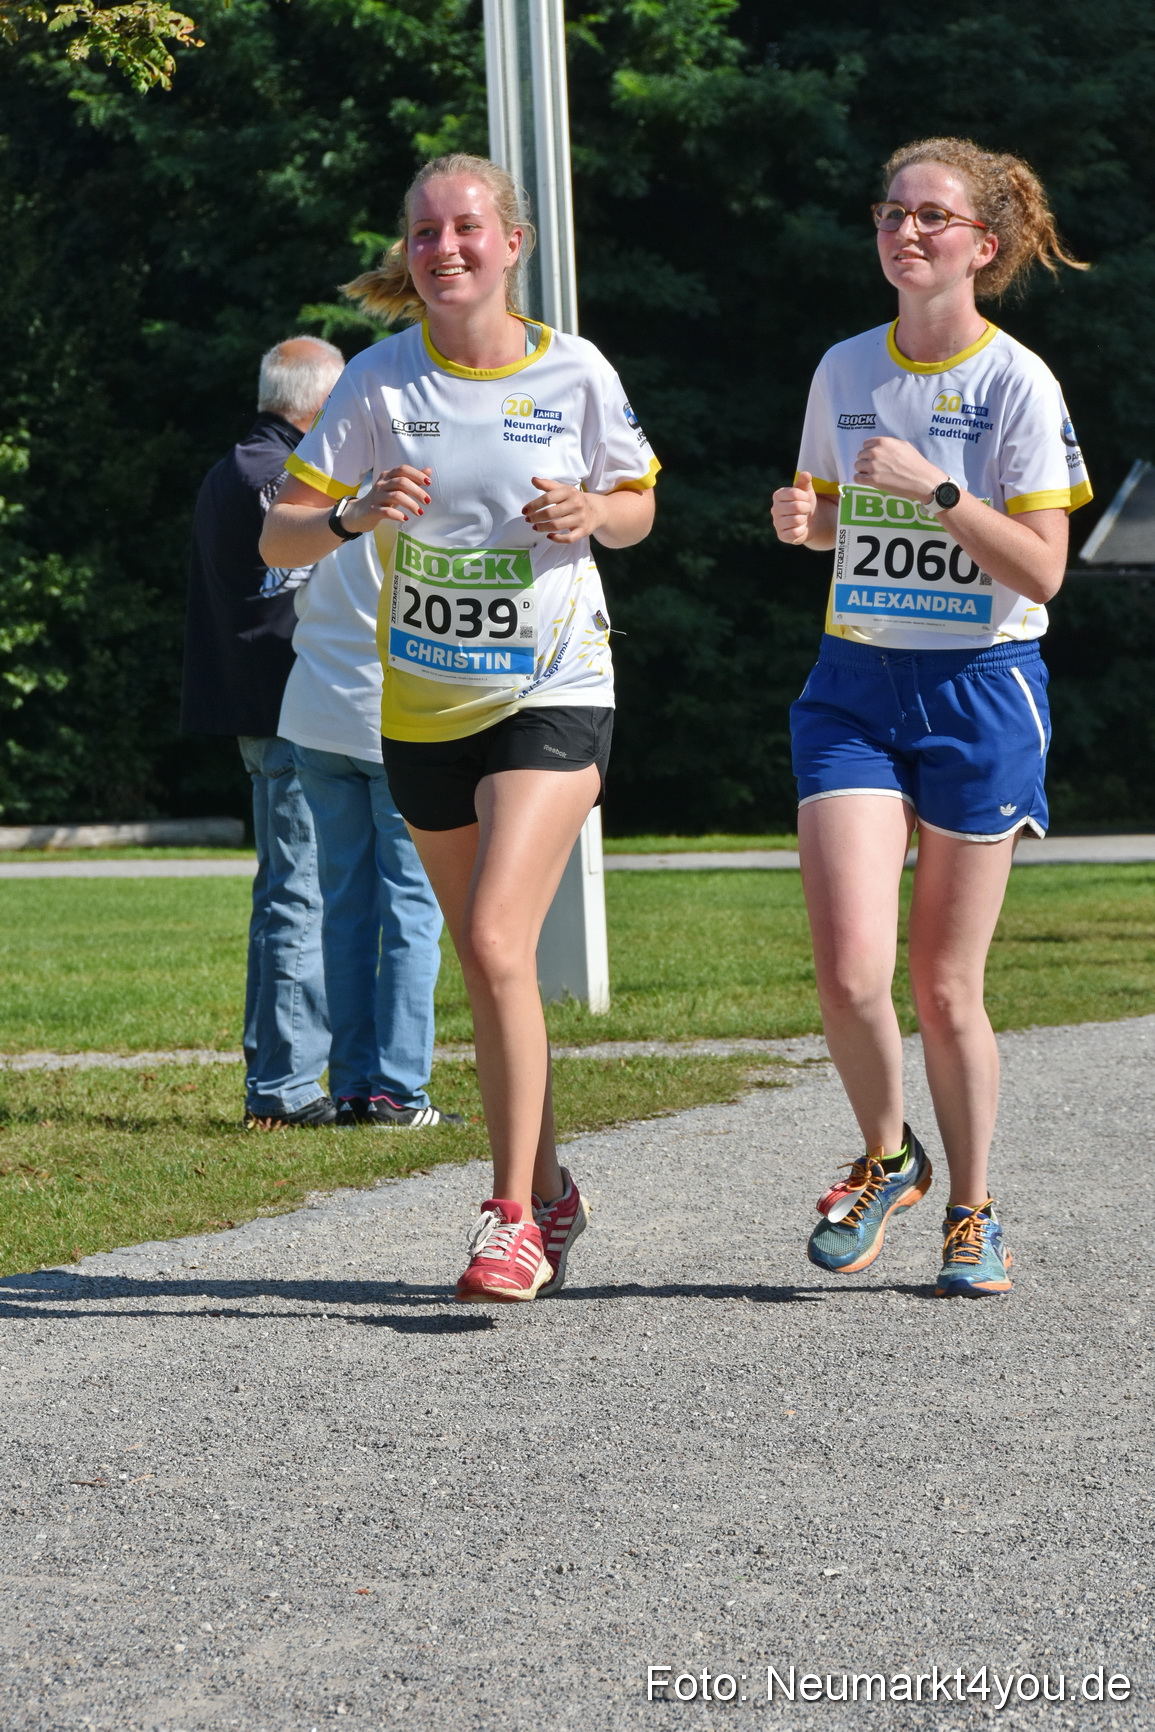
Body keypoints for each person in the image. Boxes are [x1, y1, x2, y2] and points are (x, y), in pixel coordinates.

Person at [260, 152, 658, 1301]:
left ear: (512, 244)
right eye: (425, 232)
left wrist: (596, 508)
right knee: (492, 971)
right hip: (426, 704)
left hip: (555, 685)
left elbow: (635, 506)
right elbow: (278, 539)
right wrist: (350, 511)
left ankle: (509, 1218)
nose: (444, 248)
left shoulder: (576, 371)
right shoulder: (377, 383)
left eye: (466, 228)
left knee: (491, 942)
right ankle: (552, 1184)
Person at [771, 136, 1090, 1298]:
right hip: (855, 681)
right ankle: (886, 1153)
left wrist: (942, 493)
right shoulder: (845, 367)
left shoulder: (1019, 383)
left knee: (946, 985)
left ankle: (973, 1208)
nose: (904, 233)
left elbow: (1047, 571)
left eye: (931, 218)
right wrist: (809, 525)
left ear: (981, 247)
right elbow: (831, 513)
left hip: (980, 688)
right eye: (891, 213)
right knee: (854, 972)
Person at [181, 336, 345, 1128]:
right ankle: (283, 1084)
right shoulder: (274, 477)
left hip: (265, 705)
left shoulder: (235, 466)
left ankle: (282, 1075)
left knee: (289, 888)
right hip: (288, 708)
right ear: (315, 405)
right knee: (298, 894)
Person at [277, 531, 462, 1128]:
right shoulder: (420, 494)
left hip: (314, 709)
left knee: (346, 909)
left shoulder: (320, 497)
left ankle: (353, 1088)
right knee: (413, 908)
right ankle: (400, 1094)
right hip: (395, 715)